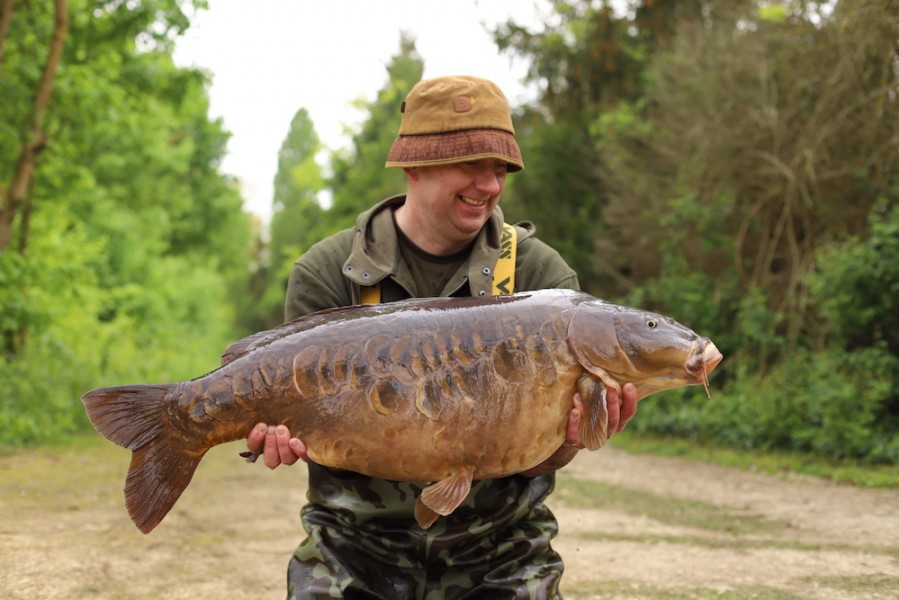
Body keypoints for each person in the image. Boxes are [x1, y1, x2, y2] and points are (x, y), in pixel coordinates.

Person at [246, 75, 639, 599]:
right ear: (414, 162)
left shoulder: (544, 281)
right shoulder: (329, 271)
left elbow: (547, 457)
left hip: (503, 550)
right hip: (353, 548)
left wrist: (574, 436)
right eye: (470, 164)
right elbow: (291, 422)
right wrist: (273, 436)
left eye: (499, 168)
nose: (490, 184)